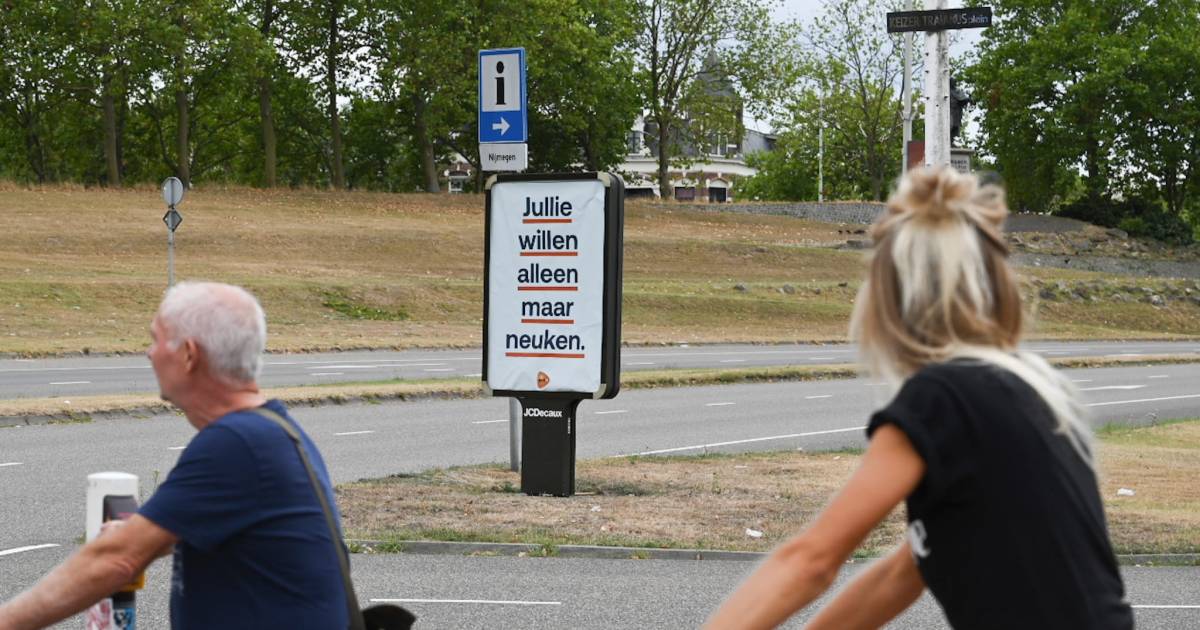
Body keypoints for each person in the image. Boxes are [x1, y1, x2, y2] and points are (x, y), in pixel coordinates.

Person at [704, 168, 1133, 629]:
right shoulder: (1027, 391)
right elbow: (903, 572)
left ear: (887, 299)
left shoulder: (943, 398)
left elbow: (811, 560)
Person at [0, 282, 350, 629]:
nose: (149, 353)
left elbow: (115, 559)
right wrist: (151, 531)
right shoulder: (273, 430)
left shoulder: (236, 443)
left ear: (188, 355)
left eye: (155, 339)